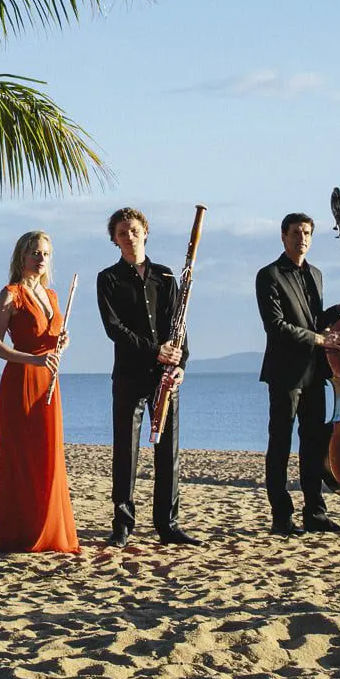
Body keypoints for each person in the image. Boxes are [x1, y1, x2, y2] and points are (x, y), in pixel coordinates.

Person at [95, 207, 196, 547]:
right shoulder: (108, 278)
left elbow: (179, 326)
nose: (129, 236)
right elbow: (114, 329)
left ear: (146, 232)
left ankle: (168, 525)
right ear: (114, 239)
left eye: (134, 230)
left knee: (169, 451)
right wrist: (155, 350)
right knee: (126, 451)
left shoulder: (166, 277)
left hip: (165, 376)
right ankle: (123, 524)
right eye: (122, 232)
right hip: (128, 375)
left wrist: (181, 362)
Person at [256, 211, 340, 535]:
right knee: (281, 445)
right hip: (285, 373)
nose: (302, 238)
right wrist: (321, 338)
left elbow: (314, 320)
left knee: (313, 444)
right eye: (296, 233)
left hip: (315, 372)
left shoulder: (315, 274)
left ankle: (315, 513)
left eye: (308, 233)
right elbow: (277, 327)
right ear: (284, 236)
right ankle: (281, 518)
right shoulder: (269, 275)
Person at [0, 230, 80, 554]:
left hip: (49, 384)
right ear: (22, 256)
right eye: (35, 253)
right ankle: (23, 533)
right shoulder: (10, 294)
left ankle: (50, 531)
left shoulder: (52, 297)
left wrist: (60, 344)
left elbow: (50, 340)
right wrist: (35, 358)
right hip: (21, 384)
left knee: (48, 457)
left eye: (46, 254)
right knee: (23, 459)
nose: (41, 259)